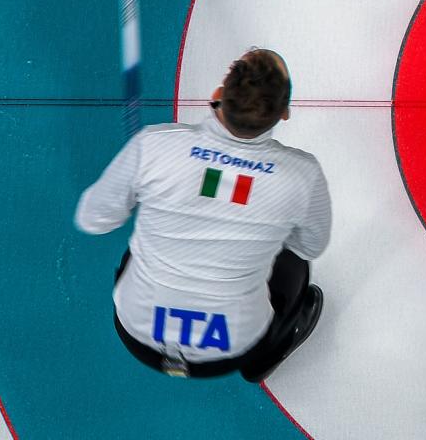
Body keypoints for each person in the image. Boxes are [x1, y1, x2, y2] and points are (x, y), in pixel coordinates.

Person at [75, 47, 331, 381]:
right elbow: (311, 245)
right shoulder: (302, 174)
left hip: (136, 335)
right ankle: (265, 354)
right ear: (284, 113)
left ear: (218, 95)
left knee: (147, 234)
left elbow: (92, 219)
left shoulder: (154, 145)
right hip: (228, 354)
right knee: (295, 258)